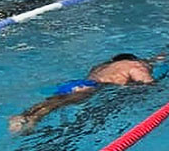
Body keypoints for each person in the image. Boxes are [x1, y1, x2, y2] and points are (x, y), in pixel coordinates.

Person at [9, 53, 155, 133]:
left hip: (75, 83)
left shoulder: (102, 67)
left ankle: (26, 116)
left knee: (54, 102)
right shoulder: (136, 66)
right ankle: (31, 119)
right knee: (61, 102)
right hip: (89, 88)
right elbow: (147, 84)